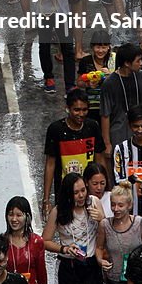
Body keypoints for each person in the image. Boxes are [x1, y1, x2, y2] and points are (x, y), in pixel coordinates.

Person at [42, 173, 105, 284]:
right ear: (68, 195)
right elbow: (45, 241)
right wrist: (64, 248)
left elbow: (106, 233)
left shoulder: (94, 203)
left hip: (91, 265)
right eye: (76, 193)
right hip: (69, 267)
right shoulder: (58, 211)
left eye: (83, 190)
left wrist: (102, 220)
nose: (81, 195)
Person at [43, 88, 106, 218]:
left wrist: (106, 188)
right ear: (68, 108)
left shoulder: (93, 126)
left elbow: (100, 159)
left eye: (84, 110)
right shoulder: (56, 129)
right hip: (65, 191)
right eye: (76, 110)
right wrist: (46, 199)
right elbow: (50, 164)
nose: (81, 114)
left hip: (90, 191)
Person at [95, 182, 142, 284]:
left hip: (137, 281)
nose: (116, 209)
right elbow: (99, 247)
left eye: (120, 205)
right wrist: (100, 260)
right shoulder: (105, 225)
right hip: (115, 281)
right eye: (113, 205)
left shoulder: (139, 223)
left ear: (129, 205)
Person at [100, 44, 142, 163]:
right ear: (127, 63)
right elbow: (105, 115)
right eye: (138, 60)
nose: (141, 63)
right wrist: (107, 143)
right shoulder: (109, 83)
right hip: (119, 133)